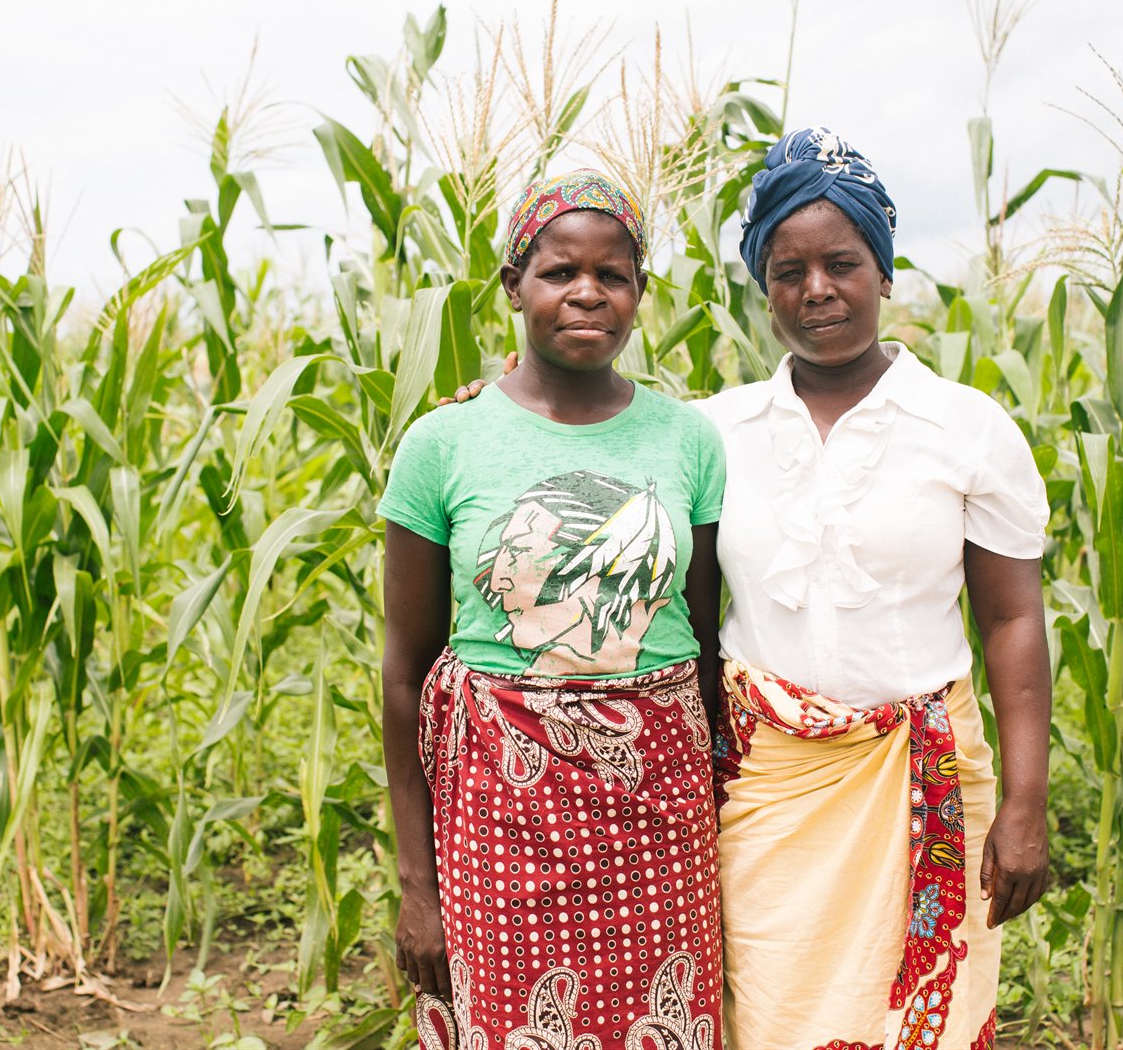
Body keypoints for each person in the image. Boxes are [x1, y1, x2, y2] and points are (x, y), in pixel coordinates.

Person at [445, 128, 1053, 1050]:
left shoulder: (966, 428)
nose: (817, 289)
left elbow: (1011, 619)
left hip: (923, 782)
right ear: (761, 287)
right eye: (787, 269)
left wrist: (1024, 803)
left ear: (884, 272)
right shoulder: (711, 434)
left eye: (842, 263)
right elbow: (598, 460)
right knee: (767, 1008)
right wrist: (486, 412)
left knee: (923, 1020)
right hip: (765, 786)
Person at [378, 170, 728, 1050]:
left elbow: (707, 642)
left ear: (640, 295)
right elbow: (403, 670)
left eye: (613, 276)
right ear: (513, 286)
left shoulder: (686, 438)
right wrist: (418, 884)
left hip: (661, 814)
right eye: (558, 271)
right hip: (501, 813)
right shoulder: (441, 444)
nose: (587, 293)